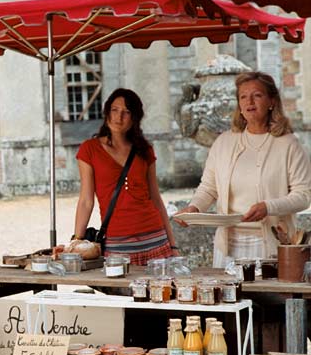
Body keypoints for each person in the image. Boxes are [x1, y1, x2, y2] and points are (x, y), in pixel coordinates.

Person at [175, 71, 311, 267]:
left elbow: (303, 196)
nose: (250, 102)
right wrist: (194, 208)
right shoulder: (223, 142)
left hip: (270, 245)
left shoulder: (290, 145)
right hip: (227, 246)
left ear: (272, 101)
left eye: (257, 95)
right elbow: (208, 188)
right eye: (243, 97)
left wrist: (268, 207)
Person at [73, 88, 178, 265]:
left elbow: (156, 198)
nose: (118, 117)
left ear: (134, 118)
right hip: (117, 243)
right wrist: (77, 240)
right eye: (114, 110)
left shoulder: (144, 150)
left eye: (126, 112)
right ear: (107, 111)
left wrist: (173, 245)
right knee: (120, 292)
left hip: (155, 238)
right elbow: (86, 201)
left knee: (160, 292)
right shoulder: (89, 149)